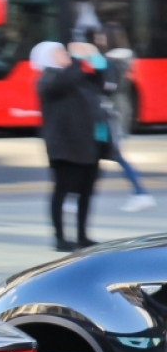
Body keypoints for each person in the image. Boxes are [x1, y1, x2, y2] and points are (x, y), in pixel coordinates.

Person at [34, 40, 108, 252]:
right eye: (60, 52)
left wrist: (94, 56)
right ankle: (60, 237)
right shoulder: (48, 78)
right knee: (62, 190)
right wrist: (77, 59)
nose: (65, 54)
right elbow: (66, 80)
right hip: (65, 146)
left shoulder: (76, 76)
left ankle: (82, 235)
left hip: (89, 143)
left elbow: (100, 82)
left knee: (86, 191)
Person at [98, 23, 155, 212]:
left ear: (110, 38)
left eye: (102, 36)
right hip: (114, 111)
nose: (99, 39)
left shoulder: (113, 60)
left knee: (112, 152)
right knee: (97, 150)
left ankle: (140, 193)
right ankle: (79, 196)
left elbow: (109, 87)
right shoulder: (121, 58)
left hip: (112, 113)